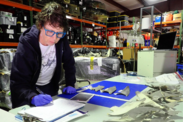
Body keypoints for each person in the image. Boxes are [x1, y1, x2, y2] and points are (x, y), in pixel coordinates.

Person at [10, 2, 76, 108]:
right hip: (28, 89)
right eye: (50, 32)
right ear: (40, 26)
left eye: (59, 33)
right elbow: (18, 81)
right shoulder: (27, 44)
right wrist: (32, 97)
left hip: (49, 86)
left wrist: (70, 83)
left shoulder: (61, 39)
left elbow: (69, 62)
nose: (54, 39)